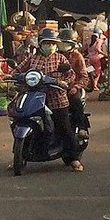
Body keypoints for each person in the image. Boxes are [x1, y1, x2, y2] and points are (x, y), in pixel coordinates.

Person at [13, 28, 83, 172]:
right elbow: (19, 70)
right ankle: (20, 155)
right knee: (21, 118)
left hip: (56, 97)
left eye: (52, 43)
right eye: (47, 43)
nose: (49, 46)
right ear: (40, 44)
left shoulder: (60, 58)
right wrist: (10, 75)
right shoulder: (32, 58)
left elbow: (70, 75)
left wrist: (63, 83)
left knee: (64, 127)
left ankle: (74, 158)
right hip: (35, 96)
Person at [56, 28, 90, 140]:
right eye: (62, 43)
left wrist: (76, 87)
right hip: (55, 87)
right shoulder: (54, 55)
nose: (64, 46)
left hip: (72, 87)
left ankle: (81, 127)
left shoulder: (77, 57)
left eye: (66, 43)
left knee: (75, 101)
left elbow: (84, 77)